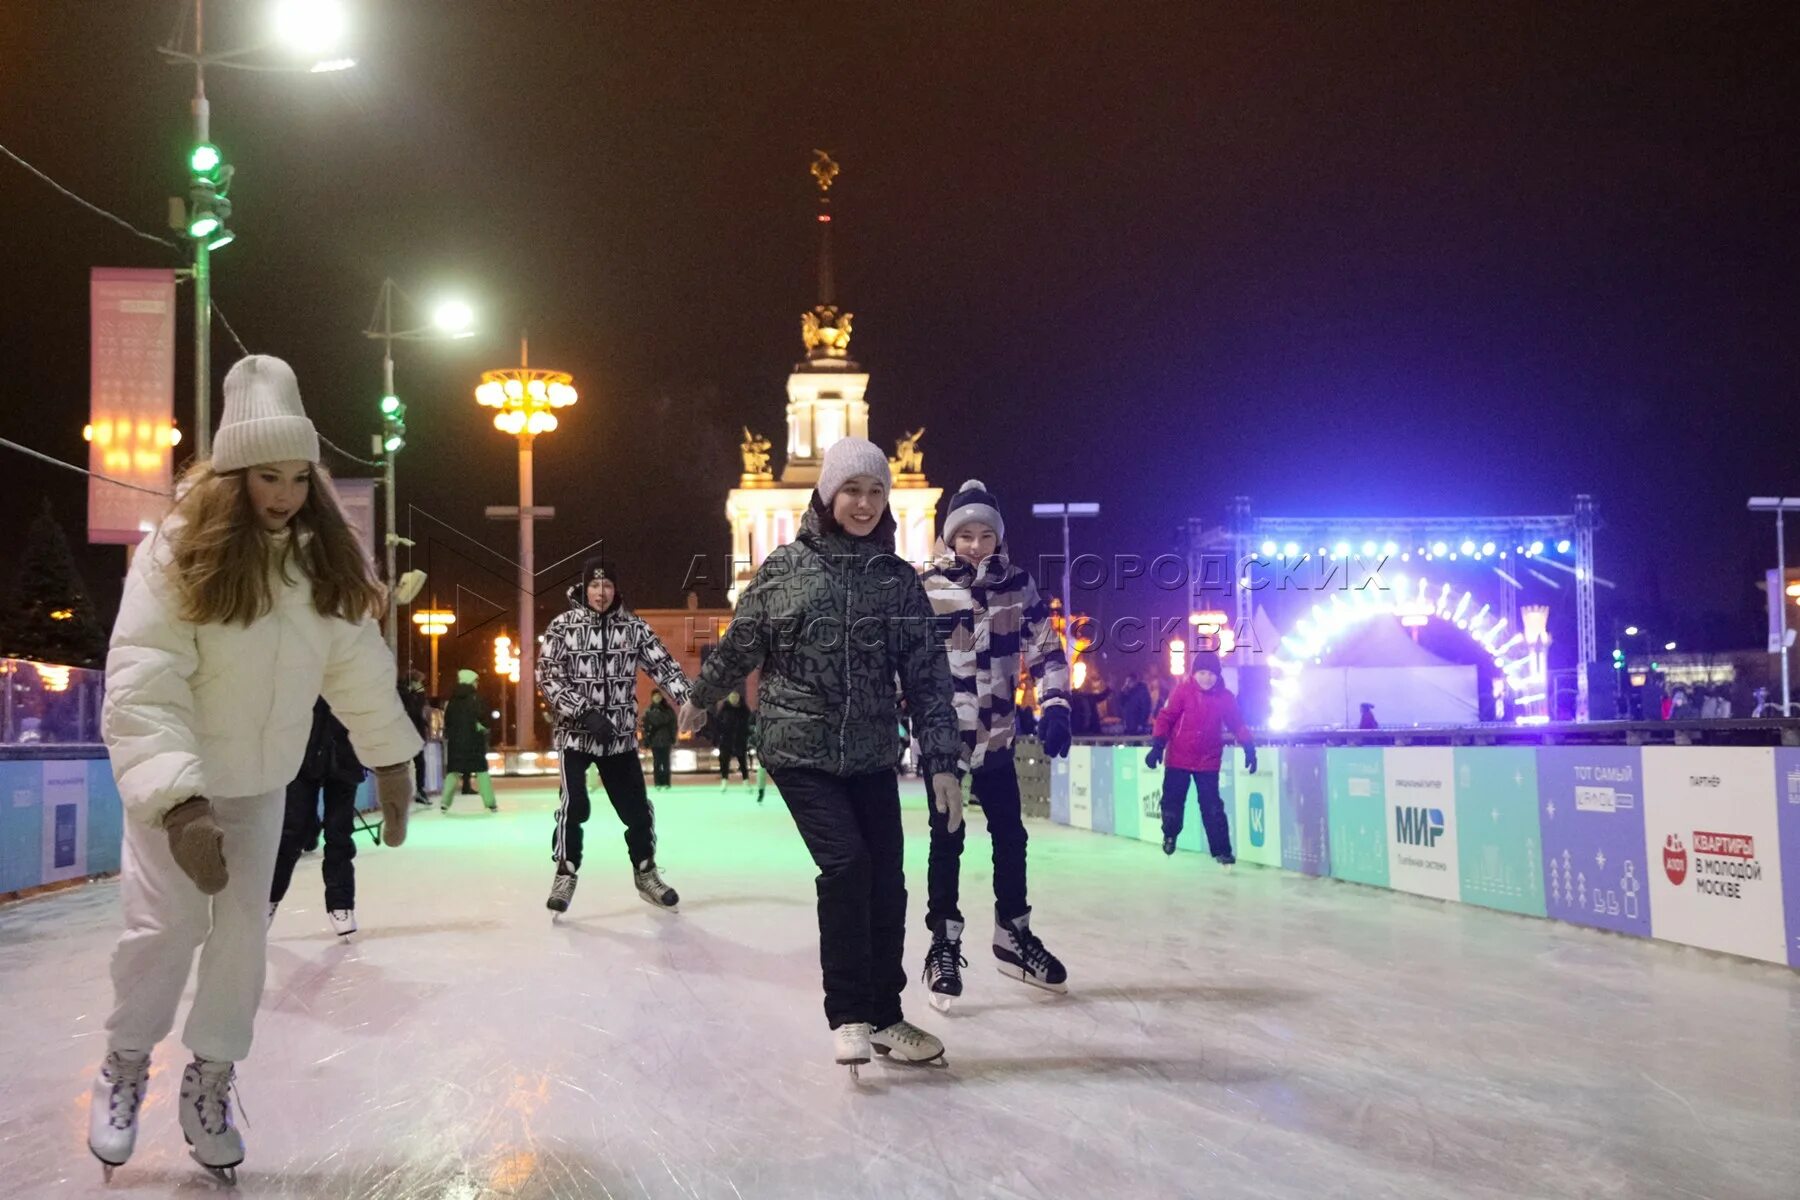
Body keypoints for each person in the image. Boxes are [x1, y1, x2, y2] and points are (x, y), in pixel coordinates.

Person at [90, 355, 420, 1183]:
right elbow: (142, 679)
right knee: (166, 933)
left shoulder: (322, 565)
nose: (283, 494)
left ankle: (210, 1079)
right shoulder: (176, 556)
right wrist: (176, 803)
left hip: (258, 786)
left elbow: (357, 667)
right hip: (180, 793)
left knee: (241, 940)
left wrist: (391, 759)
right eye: (265, 477)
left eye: (297, 477)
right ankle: (126, 1062)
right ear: (232, 476)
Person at [680, 437, 960, 1071]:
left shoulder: (895, 581)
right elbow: (741, 642)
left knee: (888, 878)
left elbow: (926, 676)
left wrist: (941, 759)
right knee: (847, 865)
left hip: (868, 751)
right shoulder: (784, 567)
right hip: (798, 747)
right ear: (827, 494)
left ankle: (887, 1016)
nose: (863, 504)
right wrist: (703, 695)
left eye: (875, 492)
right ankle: (850, 1014)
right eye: (851, 490)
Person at [917, 480, 1074, 1008]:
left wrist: (1055, 706)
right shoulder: (928, 589)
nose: (977, 545)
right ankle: (943, 939)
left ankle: (1012, 935)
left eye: (986, 534)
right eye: (966, 535)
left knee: (1011, 836)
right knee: (948, 838)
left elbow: (1049, 649)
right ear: (950, 539)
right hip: (946, 745)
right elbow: (905, 667)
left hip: (999, 739)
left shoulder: (1018, 586)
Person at [536, 557, 692, 914]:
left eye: (606, 586)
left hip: (618, 736)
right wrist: (584, 712)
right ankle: (566, 871)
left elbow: (664, 666)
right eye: (594, 585)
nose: (600, 592)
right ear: (584, 587)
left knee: (636, 809)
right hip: (576, 735)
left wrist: (690, 702)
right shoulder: (563, 627)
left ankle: (646, 871)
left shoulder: (633, 628)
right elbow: (548, 675)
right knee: (574, 804)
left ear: (615, 589)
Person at [1147, 650, 1256, 866]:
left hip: (1208, 761)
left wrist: (1249, 746)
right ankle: (1170, 834)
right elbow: (1166, 717)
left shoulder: (1225, 697)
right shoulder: (1182, 691)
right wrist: (1158, 745)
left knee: (1212, 806)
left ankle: (1222, 850)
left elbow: (1237, 724)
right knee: (1172, 802)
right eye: (1202, 673)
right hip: (1178, 758)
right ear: (1194, 673)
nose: (1207, 678)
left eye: (1211, 674)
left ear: (1218, 675)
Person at [268, 698, 366, 937]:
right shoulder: (300, 665)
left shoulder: (352, 669)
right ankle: (269, 898)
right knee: (292, 831)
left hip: (345, 757)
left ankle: (340, 903)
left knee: (339, 833)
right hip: (302, 757)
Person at [441, 668, 494, 811]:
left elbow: (447, 720)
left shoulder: (452, 700)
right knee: (481, 772)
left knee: (453, 772)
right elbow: (484, 718)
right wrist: (481, 727)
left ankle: (445, 802)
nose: (477, 684)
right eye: (476, 681)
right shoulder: (476, 698)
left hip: (456, 743)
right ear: (471, 681)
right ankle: (490, 802)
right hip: (474, 741)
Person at [399, 669, 431, 805]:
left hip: (415, 733)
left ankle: (420, 790)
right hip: (408, 733)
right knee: (406, 764)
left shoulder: (411, 695)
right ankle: (404, 791)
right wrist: (420, 694)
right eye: (419, 682)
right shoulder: (406, 696)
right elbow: (415, 711)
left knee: (419, 763)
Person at [709, 690, 753, 788]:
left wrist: (748, 735)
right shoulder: (724, 710)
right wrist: (717, 738)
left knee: (742, 761)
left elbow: (749, 724)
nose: (734, 699)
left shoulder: (744, 710)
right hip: (726, 740)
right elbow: (718, 725)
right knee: (724, 761)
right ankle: (724, 780)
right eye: (732, 697)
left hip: (740, 739)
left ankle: (745, 780)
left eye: (735, 697)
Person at [640, 691, 678, 790]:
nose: (657, 698)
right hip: (655, 740)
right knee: (657, 762)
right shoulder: (649, 710)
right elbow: (645, 726)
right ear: (652, 698)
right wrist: (646, 740)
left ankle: (666, 782)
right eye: (655, 696)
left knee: (665, 762)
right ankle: (658, 782)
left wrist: (673, 737)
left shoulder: (668, 710)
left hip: (666, 739)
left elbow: (673, 725)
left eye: (658, 696)